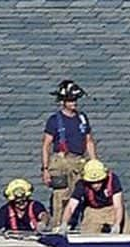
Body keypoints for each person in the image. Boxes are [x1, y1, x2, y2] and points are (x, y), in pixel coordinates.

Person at [41, 80, 96, 225]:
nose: (74, 103)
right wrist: (45, 169)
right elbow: (46, 145)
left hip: (78, 162)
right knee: (61, 196)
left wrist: (94, 161)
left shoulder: (82, 118)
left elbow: (89, 141)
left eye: (75, 100)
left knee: (78, 195)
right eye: (71, 100)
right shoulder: (54, 120)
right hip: (61, 162)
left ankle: (74, 224)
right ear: (63, 101)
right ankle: (58, 225)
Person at [60, 158, 130, 234]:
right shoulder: (81, 184)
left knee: (128, 229)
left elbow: (118, 206)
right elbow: (71, 206)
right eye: (92, 182)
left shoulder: (112, 180)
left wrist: (117, 224)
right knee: (88, 234)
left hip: (112, 208)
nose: (95, 185)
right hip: (93, 211)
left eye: (99, 181)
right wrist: (64, 223)